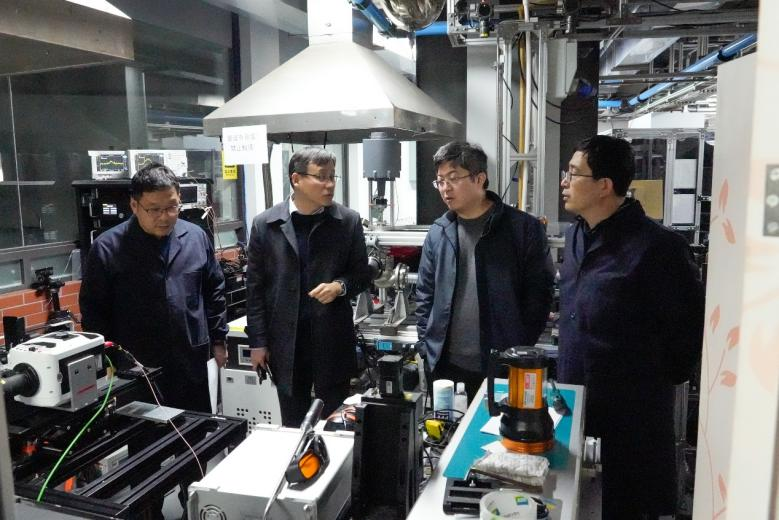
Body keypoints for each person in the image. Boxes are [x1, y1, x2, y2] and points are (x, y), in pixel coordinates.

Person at [557, 135, 705, 519]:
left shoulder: (658, 248)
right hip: (575, 402)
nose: (564, 181)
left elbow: (686, 335)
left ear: (604, 185)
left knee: (627, 507)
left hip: (631, 418)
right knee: (574, 502)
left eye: (574, 173)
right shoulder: (575, 236)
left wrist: (643, 382)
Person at [80, 163, 228, 413]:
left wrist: (218, 339)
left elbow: (214, 291)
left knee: (196, 427)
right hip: (137, 367)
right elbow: (94, 311)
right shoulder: (108, 248)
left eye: (172, 207)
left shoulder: (195, 237)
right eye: (154, 209)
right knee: (146, 431)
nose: (164, 217)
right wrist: (107, 362)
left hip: (190, 359)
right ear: (134, 205)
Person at [415, 141, 555, 400]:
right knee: (445, 426)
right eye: (440, 181)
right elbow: (425, 293)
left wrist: (519, 346)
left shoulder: (522, 229)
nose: (445, 188)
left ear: (479, 179)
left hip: (502, 365)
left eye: (453, 178)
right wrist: (426, 346)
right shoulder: (439, 231)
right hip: (444, 365)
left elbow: (539, 295)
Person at [245, 147, 370, 427]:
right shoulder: (266, 224)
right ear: (296, 179)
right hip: (286, 343)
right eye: (321, 177)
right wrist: (258, 343)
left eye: (332, 177)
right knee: (293, 423)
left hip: (331, 339)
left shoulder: (347, 221)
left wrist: (339, 286)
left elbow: (362, 275)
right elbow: (255, 290)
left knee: (336, 423)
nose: (329, 184)